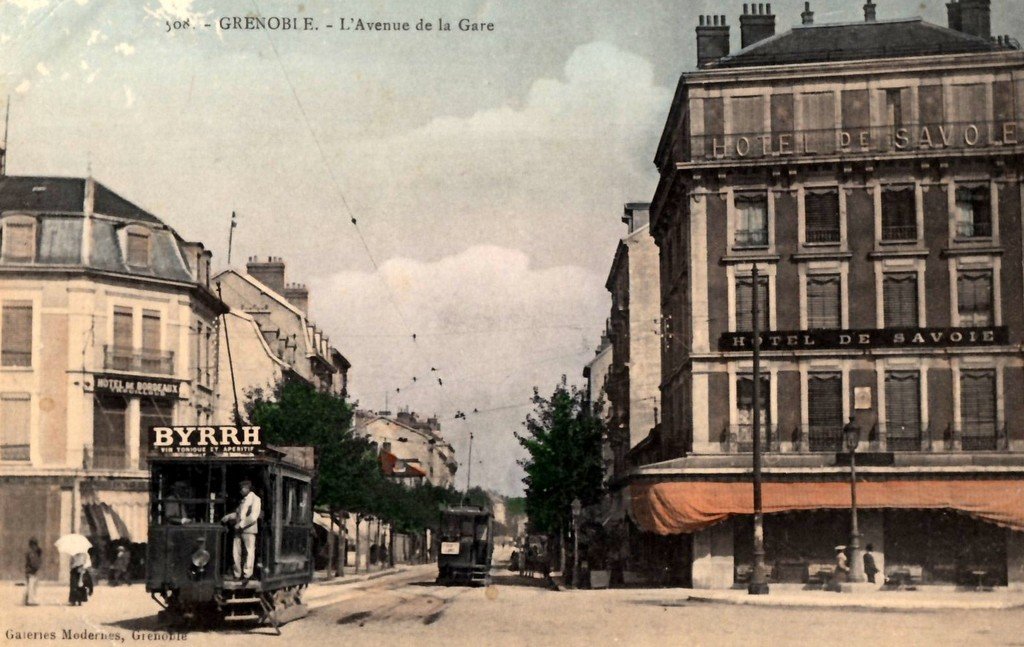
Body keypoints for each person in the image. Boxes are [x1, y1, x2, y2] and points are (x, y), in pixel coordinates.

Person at [222, 479, 261, 582]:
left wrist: (240, 525)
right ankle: (237, 574)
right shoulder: (243, 500)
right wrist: (229, 517)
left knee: (249, 552)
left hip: (249, 530)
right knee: (236, 552)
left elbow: (253, 517)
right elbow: (239, 514)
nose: (240, 491)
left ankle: (247, 575)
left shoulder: (256, 499)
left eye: (242, 489)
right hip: (239, 530)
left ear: (247, 488)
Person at [24, 538, 41, 606]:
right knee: (31, 586)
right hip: (31, 571)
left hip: (31, 571)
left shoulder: (32, 552)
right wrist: (36, 567)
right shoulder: (32, 553)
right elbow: (33, 562)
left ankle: (27, 600)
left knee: (31, 586)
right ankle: (30, 600)